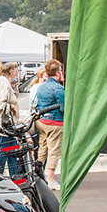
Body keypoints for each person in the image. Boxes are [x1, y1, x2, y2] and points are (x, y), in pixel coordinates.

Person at [34, 59, 66, 191]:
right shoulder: (58, 88)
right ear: (58, 73)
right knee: (54, 150)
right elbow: (65, 107)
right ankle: (51, 179)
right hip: (55, 122)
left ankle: (37, 176)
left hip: (41, 122)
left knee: (43, 148)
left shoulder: (41, 87)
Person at [0, 62, 20, 174]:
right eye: (16, 72)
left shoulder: (3, 82)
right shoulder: (4, 85)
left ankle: (16, 176)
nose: (17, 75)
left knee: (12, 150)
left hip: (6, 126)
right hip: (2, 126)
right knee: (3, 151)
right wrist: (11, 107)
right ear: (11, 73)